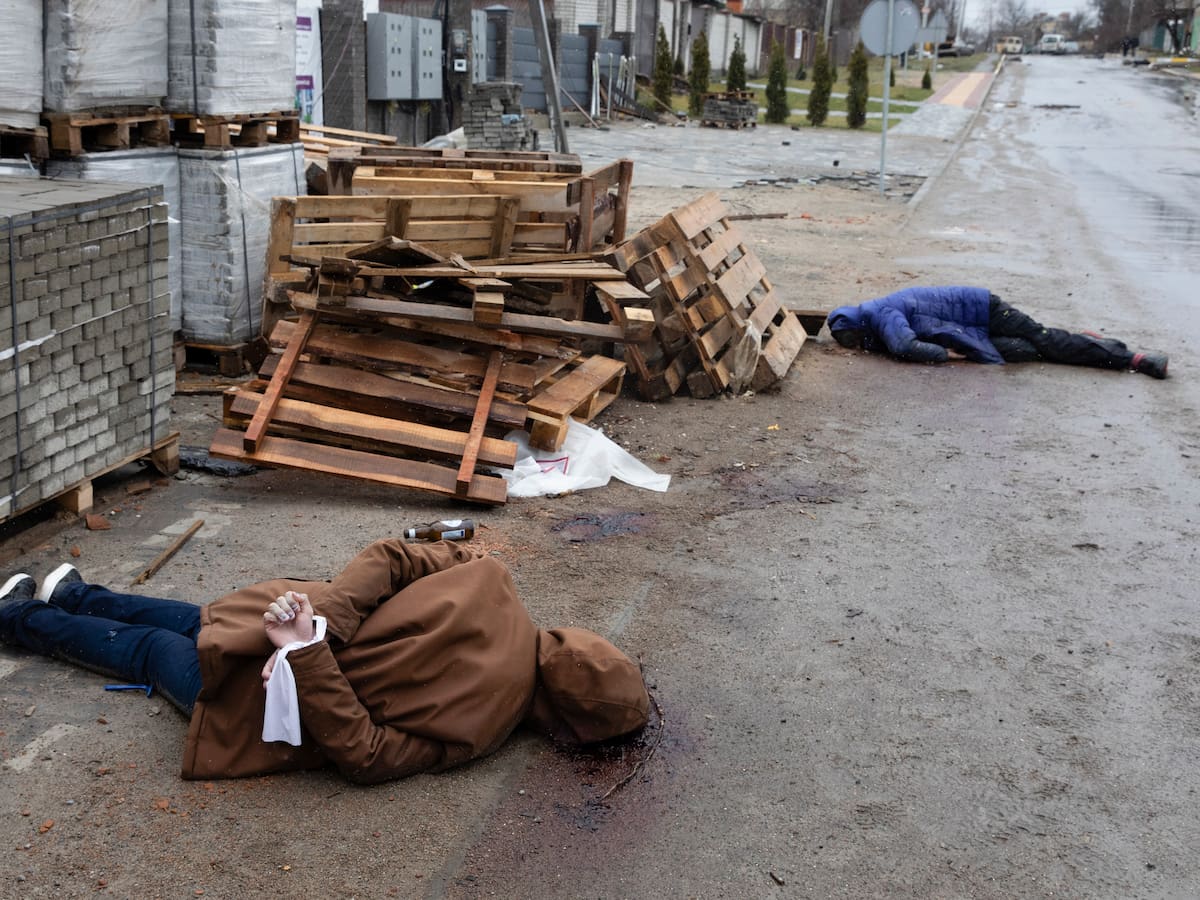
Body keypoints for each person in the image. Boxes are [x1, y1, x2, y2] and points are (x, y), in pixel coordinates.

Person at [0, 540, 650, 784]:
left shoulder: (491, 578)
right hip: (267, 695)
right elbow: (365, 755)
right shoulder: (483, 731)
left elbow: (393, 556)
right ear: (564, 722)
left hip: (277, 621)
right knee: (155, 649)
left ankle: (65, 595)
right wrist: (311, 648)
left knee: (194, 621)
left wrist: (318, 631)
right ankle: (20, 617)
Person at [826, 286, 1168, 378]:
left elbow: (904, 346)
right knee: (1029, 350)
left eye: (851, 341)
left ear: (856, 325)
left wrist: (947, 355)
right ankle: (1089, 343)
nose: (854, 348)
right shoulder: (874, 315)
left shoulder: (880, 312)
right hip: (971, 329)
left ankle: (1133, 359)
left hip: (985, 311)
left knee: (1044, 340)